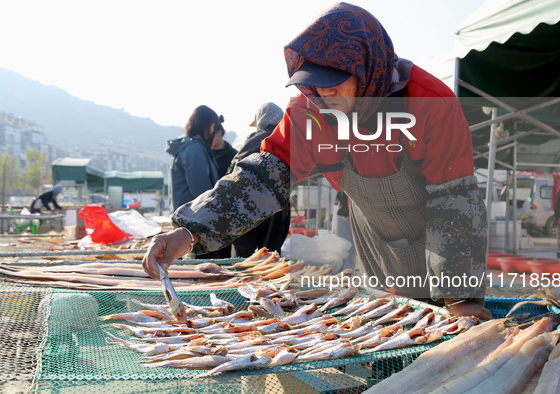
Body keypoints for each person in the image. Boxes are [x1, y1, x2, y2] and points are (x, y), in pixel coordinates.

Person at [144, 3, 490, 319]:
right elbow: (259, 180)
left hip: (437, 236)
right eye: (315, 85)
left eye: (335, 84)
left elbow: (453, 202)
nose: (325, 96)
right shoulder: (311, 112)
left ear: (367, 68)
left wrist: (460, 297)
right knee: (391, 328)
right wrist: (190, 232)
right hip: (375, 242)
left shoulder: (429, 103)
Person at [227, 102, 291, 257]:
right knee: (271, 261)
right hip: (277, 213)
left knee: (244, 261)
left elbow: (231, 174)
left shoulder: (250, 142)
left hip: (246, 210)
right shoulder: (288, 139)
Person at [165, 105, 224, 259]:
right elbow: (201, 193)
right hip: (195, 227)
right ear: (205, 125)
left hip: (188, 223)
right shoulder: (194, 150)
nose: (213, 131)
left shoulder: (189, 147)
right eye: (212, 126)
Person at [211, 124, 237, 258]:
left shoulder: (234, 155)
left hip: (226, 214)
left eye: (211, 133)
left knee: (223, 256)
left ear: (219, 133)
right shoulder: (204, 153)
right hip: (206, 212)